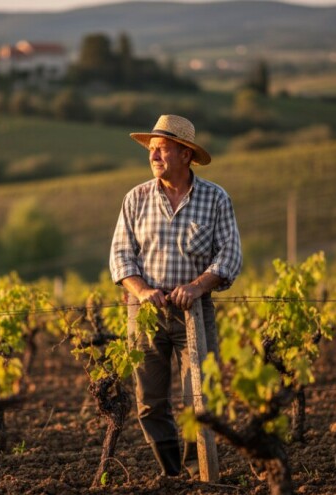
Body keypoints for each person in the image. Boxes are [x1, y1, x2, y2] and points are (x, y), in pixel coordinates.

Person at [109, 114, 242, 477]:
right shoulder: (135, 198)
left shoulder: (215, 198)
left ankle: (197, 470)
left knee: (199, 397)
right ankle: (173, 476)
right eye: (151, 149)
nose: (153, 156)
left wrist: (197, 286)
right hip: (146, 312)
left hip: (194, 311)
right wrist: (142, 290)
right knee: (149, 402)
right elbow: (120, 255)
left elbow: (230, 255)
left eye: (162, 149)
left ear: (185, 154)